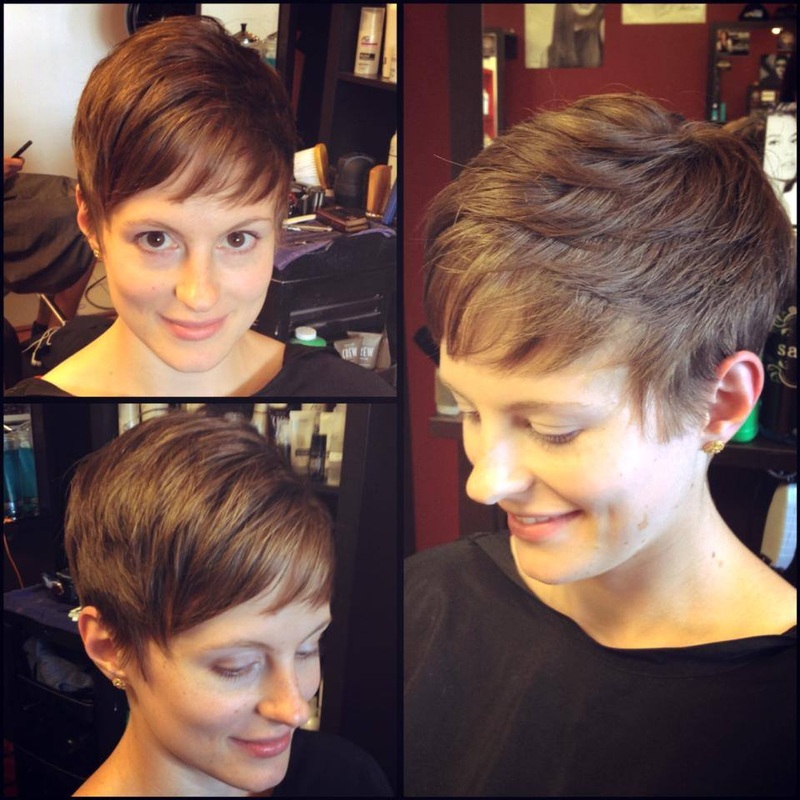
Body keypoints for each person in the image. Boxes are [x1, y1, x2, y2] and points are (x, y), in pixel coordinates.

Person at [405, 93, 796, 796]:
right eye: (467, 409)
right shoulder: (422, 604)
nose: (484, 484)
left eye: (553, 428)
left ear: (721, 406)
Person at [5, 15, 393, 397]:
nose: (199, 296)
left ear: (279, 225)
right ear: (91, 223)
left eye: (238, 239)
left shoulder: (359, 391)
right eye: (156, 239)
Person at [66, 411, 392, 796]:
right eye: (236, 667)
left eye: (308, 648)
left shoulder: (347, 778)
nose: (295, 710)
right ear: (110, 648)